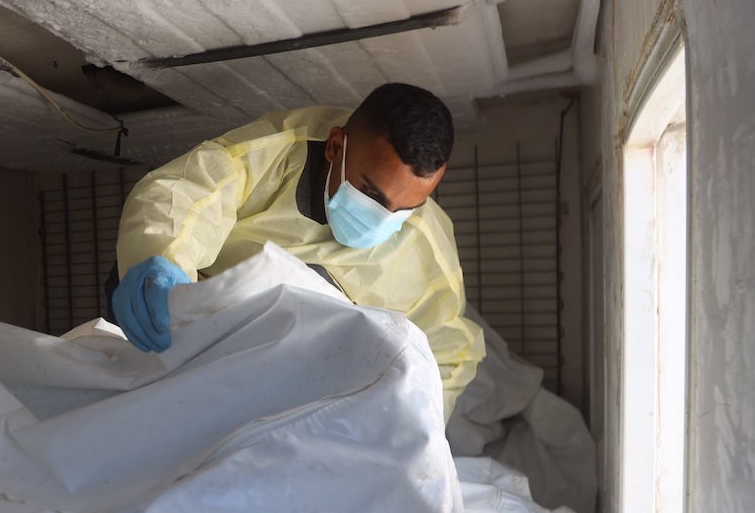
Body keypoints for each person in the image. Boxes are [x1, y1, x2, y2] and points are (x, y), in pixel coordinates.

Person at [111, 82, 485, 421]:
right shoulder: (270, 156)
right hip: (203, 333)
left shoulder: (428, 245)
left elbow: (448, 350)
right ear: (336, 146)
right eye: (370, 194)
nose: (382, 220)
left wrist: (416, 424)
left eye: (404, 210)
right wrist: (160, 259)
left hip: (306, 386)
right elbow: (184, 197)